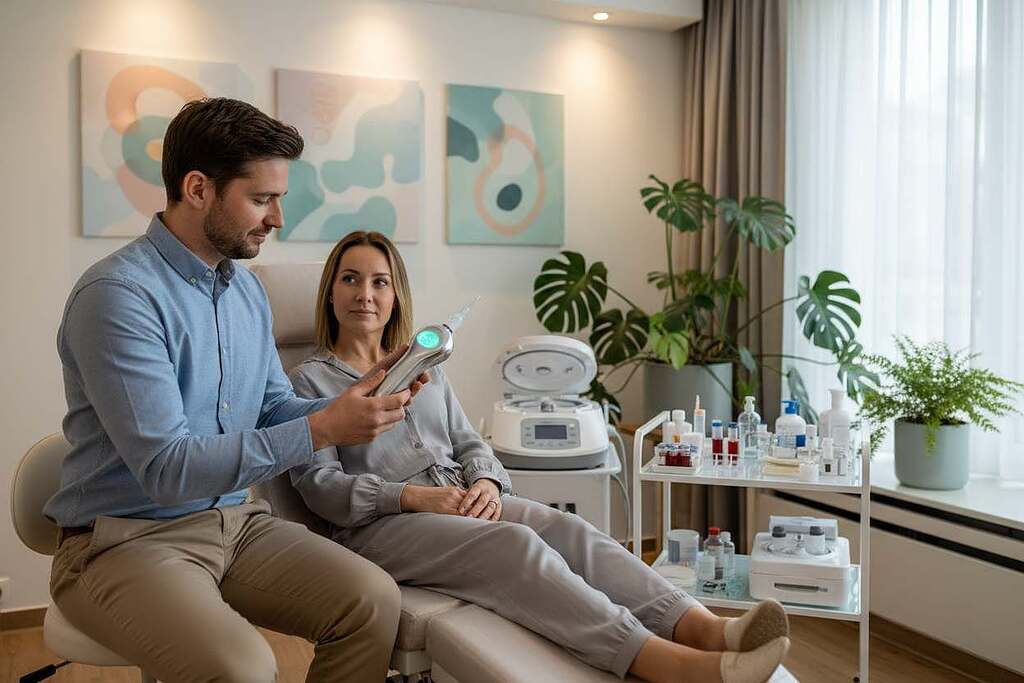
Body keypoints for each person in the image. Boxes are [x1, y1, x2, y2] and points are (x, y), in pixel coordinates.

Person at [287, 231, 792, 683]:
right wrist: (414, 497)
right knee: (514, 544)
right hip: (377, 528)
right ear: (330, 292)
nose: (365, 294)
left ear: (396, 294)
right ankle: (668, 664)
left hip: (460, 499)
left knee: (568, 528)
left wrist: (486, 482)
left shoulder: (427, 367)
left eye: (379, 282)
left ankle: (707, 629)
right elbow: (320, 487)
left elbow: (469, 442)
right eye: (350, 279)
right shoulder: (309, 382)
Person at [45, 98, 428, 682]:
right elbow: (168, 470)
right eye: (262, 199)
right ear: (198, 189)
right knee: (243, 668)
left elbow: (273, 407)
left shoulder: (246, 292)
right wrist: (324, 429)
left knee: (372, 601)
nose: (278, 218)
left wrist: (359, 398)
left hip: (234, 521)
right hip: (123, 540)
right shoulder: (118, 296)